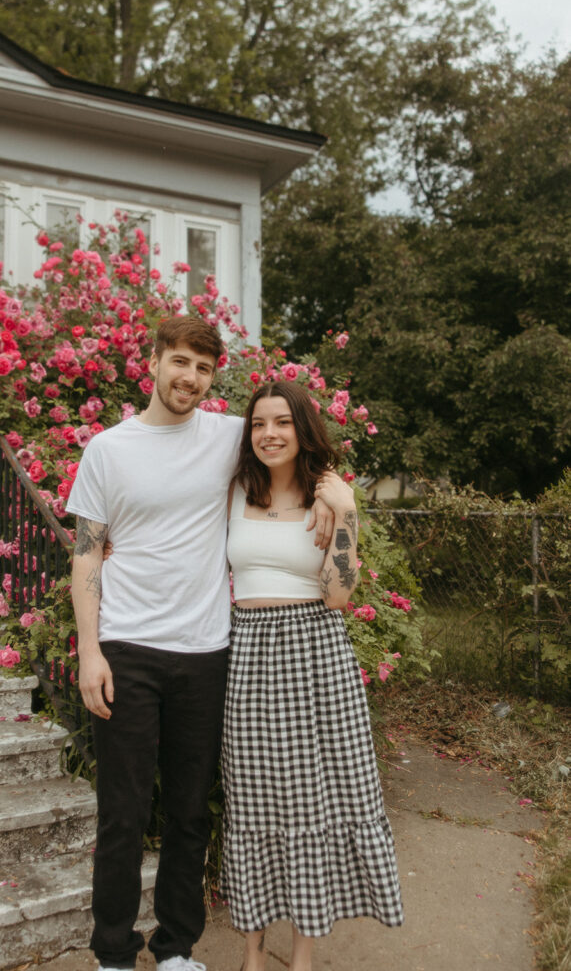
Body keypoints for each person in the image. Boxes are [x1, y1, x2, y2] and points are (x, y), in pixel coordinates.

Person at [66, 316, 334, 971]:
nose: (189, 377)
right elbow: (85, 555)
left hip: (209, 652)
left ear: (213, 379)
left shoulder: (228, 438)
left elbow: (296, 451)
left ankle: (176, 948)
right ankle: (111, 954)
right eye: (180, 362)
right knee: (122, 814)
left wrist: (339, 491)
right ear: (153, 363)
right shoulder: (108, 449)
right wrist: (90, 651)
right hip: (126, 647)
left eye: (204, 368)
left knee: (189, 810)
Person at [221, 381, 404, 971]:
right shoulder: (233, 491)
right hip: (247, 653)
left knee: (309, 803)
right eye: (258, 424)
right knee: (250, 799)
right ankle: (252, 952)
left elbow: (339, 595)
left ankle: (300, 955)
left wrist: (346, 511)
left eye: (282, 423)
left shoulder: (329, 498)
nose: (269, 434)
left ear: (302, 429)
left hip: (313, 653)